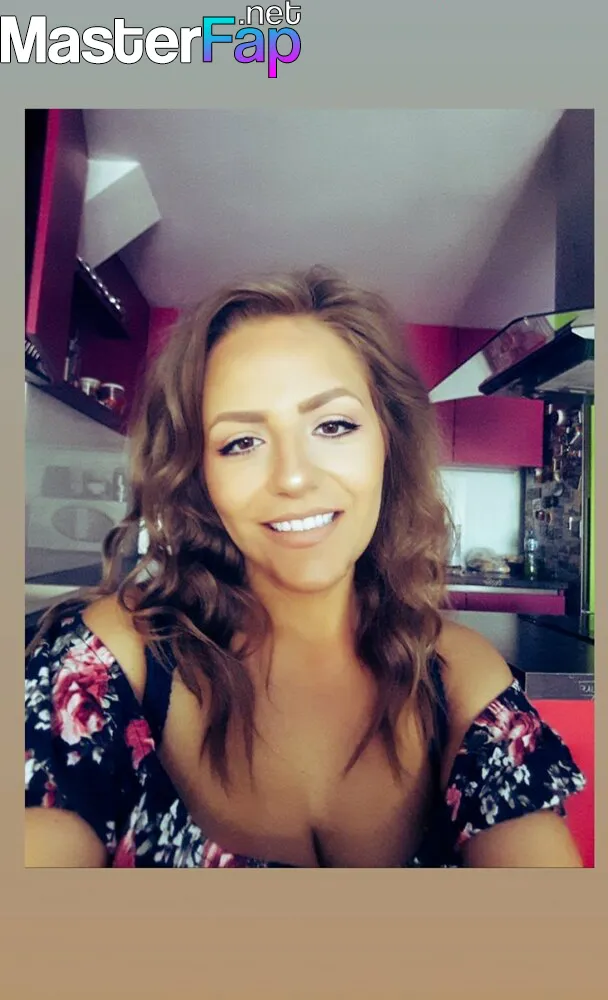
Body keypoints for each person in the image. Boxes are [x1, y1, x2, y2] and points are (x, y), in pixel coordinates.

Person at [25, 266, 585, 868]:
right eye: (241, 442)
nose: (292, 477)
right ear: (201, 474)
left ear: (388, 442)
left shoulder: (462, 677)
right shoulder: (110, 663)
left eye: (333, 425)